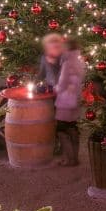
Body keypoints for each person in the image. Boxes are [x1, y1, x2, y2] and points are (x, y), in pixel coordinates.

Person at [38, 33, 86, 165]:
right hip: (75, 99)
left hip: (65, 100)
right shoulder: (79, 61)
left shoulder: (67, 63)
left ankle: (69, 159)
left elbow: (62, 83)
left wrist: (55, 88)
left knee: (62, 129)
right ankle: (74, 158)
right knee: (72, 127)